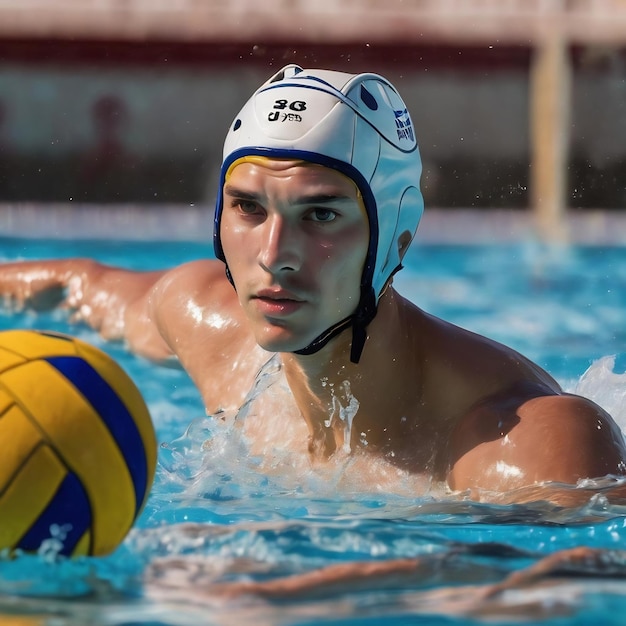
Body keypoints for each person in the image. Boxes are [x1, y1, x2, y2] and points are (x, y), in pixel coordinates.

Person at [1, 65, 624, 504]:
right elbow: (74, 286)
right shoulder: (211, 331)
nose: (274, 256)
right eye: (248, 208)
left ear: (396, 236)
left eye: (320, 215)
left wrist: (324, 586)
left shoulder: (533, 446)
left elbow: (570, 584)